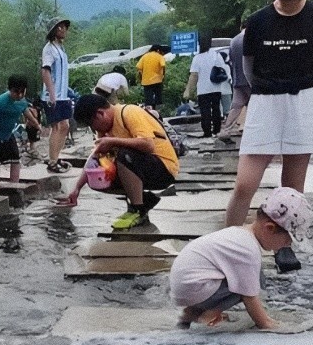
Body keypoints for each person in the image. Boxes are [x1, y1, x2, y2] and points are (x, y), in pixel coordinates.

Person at [225, 0, 313, 274]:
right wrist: (271, 88)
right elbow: (248, 69)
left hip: (303, 100)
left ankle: (284, 247)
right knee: (245, 185)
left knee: (291, 189)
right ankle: (228, 246)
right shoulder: (259, 21)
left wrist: (298, 83)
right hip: (265, 102)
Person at [171, 187, 312, 331]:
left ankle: (191, 313)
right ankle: (203, 314)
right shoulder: (248, 249)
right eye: (288, 241)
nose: (287, 246)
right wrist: (266, 324)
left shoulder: (241, 234)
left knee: (253, 278)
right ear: (269, 228)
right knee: (251, 283)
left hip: (187, 288)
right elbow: (249, 296)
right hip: (194, 289)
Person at [55, 93, 180, 230]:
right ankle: (143, 201)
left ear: (100, 114)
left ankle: (137, 209)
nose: (95, 130)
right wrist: (76, 189)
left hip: (164, 168)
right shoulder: (105, 129)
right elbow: (95, 158)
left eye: (92, 125)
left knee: (123, 155)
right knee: (98, 176)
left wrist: (113, 141)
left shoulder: (129, 112)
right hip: (143, 167)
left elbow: (148, 145)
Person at [41, 16, 73, 174]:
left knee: (65, 126)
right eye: (59, 27)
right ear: (53, 31)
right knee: (58, 126)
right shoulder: (49, 49)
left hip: (63, 94)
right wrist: (52, 93)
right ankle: (52, 161)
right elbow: (45, 70)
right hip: (53, 95)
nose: (63, 30)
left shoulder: (60, 49)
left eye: (64, 27)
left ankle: (55, 157)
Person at [183, 36, 228, 137]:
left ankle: (207, 131)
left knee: (205, 111)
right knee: (216, 109)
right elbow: (222, 69)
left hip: (203, 89)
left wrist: (188, 90)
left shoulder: (197, 58)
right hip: (216, 87)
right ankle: (217, 130)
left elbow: (194, 75)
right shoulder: (216, 55)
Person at [219, 24, 251, 139]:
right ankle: (253, 130)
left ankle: (225, 130)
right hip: (250, 79)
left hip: (237, 79)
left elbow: (231, 60)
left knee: (236, 106)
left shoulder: (234, 40)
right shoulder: (250, 38)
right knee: (256, 105)